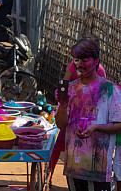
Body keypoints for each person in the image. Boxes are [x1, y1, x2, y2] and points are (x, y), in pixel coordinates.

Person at [55, 38, 121, 191]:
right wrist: (63, 106)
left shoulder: (110, 90)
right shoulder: (70, 89)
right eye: (76, 60)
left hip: (97, 169)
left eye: (84, 60)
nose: (79, 64)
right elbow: (60, 124)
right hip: (72, 167)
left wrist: (96, 127)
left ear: (96, 60)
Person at [49, 34, 107, 186]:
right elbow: (65, 81)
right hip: (71, 115)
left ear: (95, 59)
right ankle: (49, 173)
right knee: (58, 143)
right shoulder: (73, 66)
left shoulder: (101, 75)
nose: (80, 63)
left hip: (88, 119)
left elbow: (97, 98)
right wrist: (64, 98)